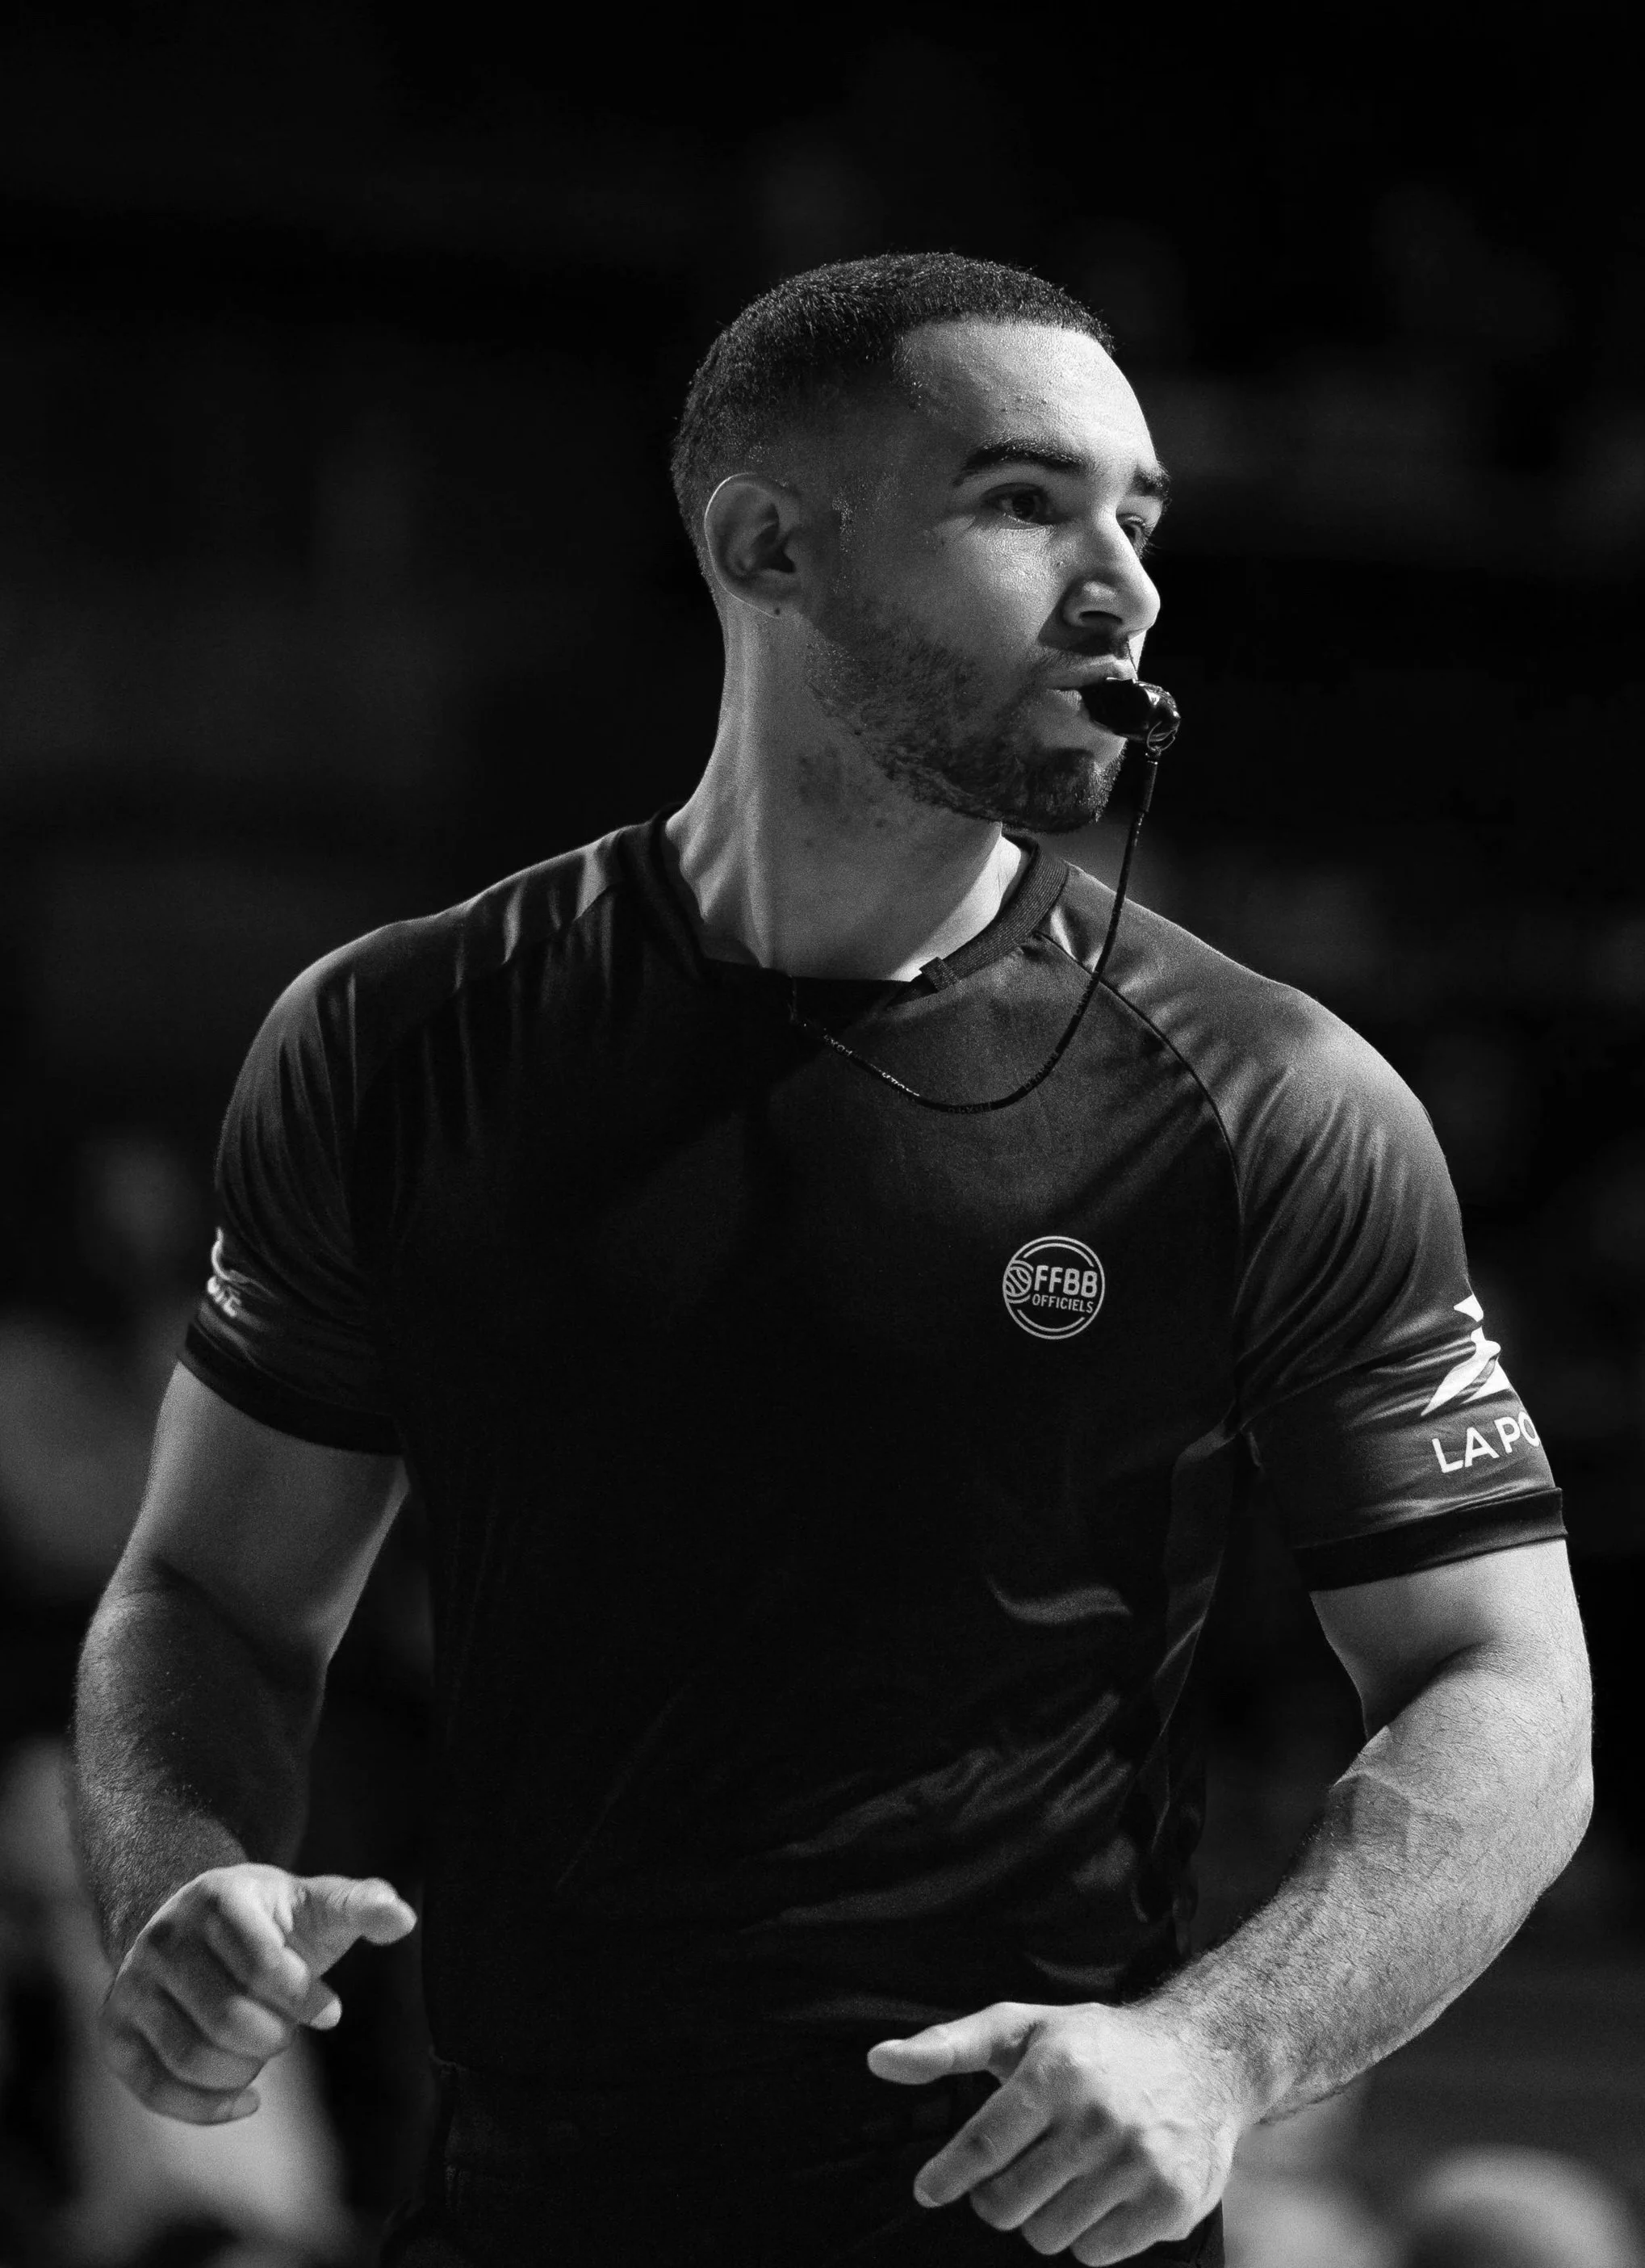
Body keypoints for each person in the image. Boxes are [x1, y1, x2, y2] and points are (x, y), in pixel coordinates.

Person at [69, 254, 1592, 2268]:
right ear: (767, 542)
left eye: (1139, 518)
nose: (1123, 584)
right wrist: (182, 1871)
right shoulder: (395, 1040)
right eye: (1024, 502)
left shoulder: (1266, 1098)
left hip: (1035, 2223)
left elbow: (1508, 1683)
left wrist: (1218, 2052)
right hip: (523, 2205)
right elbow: (208, 1593)